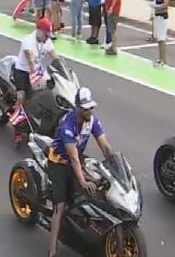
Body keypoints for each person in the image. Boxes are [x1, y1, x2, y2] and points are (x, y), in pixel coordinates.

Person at [46, 87, 113, 257]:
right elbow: (73, 158)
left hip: (77, 159)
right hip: (60, 162)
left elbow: (105, 146)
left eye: (90, 107)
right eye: (85, 108)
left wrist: (114, 163)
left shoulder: (92, 121)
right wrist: (83, 181)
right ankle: (52, 250)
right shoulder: (67, 125)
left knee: (100, 184)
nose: (89, 111)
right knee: (59, 206)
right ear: (77, 108)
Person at [12, 17, 63, 146]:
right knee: (21, 97)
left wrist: (63, 70)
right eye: (45, 34)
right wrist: (37, 79)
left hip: (38, 70)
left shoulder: (47, 41)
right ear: (39, 30)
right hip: (23, 71)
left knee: (50, 92)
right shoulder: (28, 42)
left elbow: (55, 57)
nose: (47, 38)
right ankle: (17, 129)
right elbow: (30, 62)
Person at [150, 0, 171, 68]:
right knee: (159, 38)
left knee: (162, 39)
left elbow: (166, 4)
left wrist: (157, 7)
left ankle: (164, 60)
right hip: (157, 15)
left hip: (162, 16)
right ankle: (160, 58)